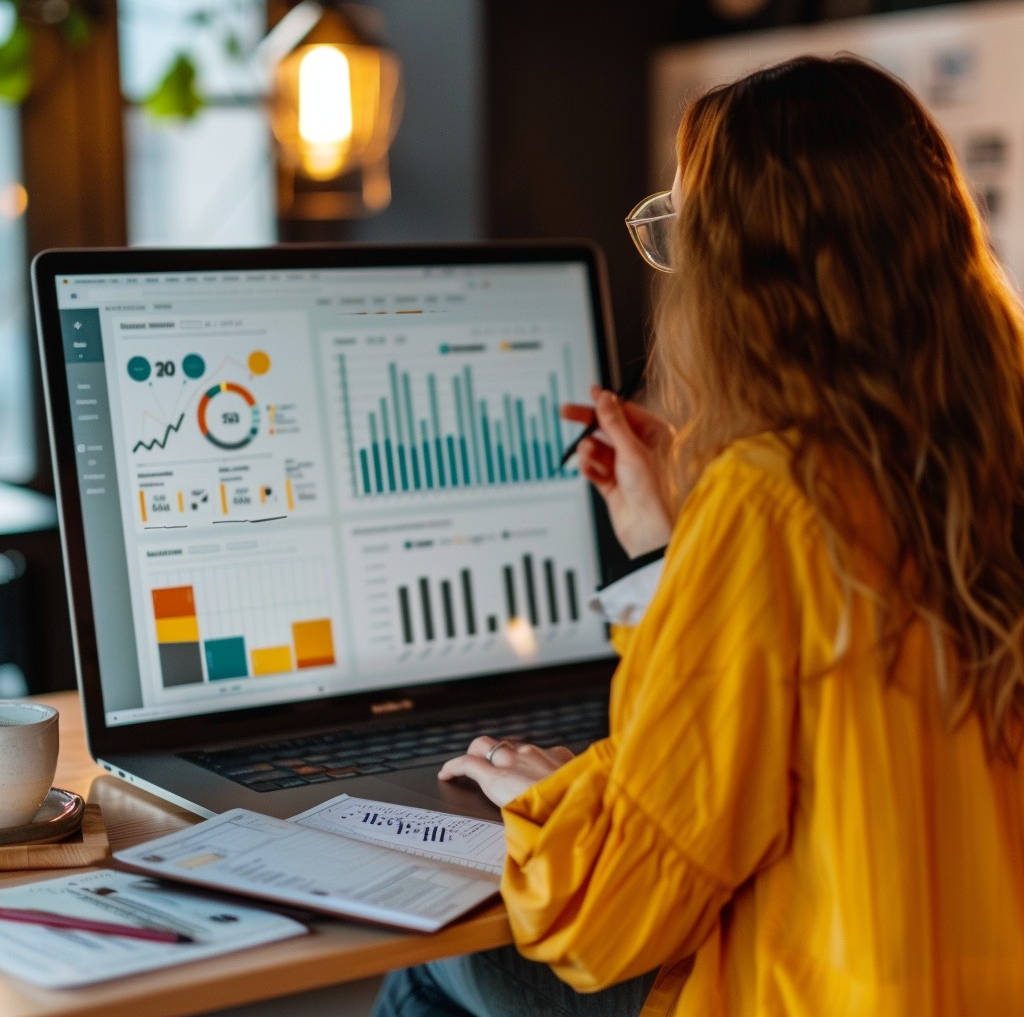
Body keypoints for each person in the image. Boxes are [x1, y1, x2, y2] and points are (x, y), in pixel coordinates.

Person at [371, 54, 1024, 1016]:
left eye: (682, 233)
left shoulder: (773, 499)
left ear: (742, 279)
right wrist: (669, 553)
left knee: (431, 966)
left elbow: (607, 917)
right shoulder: (983, 461)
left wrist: (562, 795)